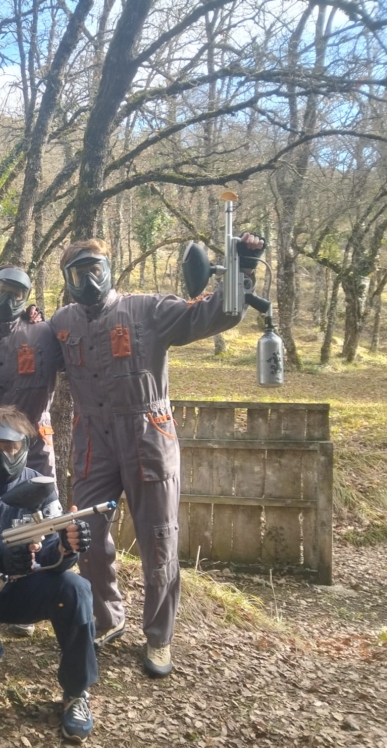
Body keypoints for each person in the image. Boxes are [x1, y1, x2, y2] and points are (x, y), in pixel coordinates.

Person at [49, 234, 265, 677]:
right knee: (87, 534)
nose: (88, 280)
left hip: (147, 435)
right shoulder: (62, 322)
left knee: (159, 539)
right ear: (67, 280)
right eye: (78, 273)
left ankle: (159, 636)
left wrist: (243, 267)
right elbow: (27, 348)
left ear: (109, 268)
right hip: (93, 441)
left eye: (95, 268)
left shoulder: (149, 309)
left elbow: (215, 313)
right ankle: (107, 618)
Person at [0, 405, 97, 741]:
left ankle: (77, 692)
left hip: (25, 590)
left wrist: (67, 547)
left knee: (76, 588)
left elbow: (53, 558)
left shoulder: (40, 486)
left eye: (9, 448)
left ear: (24, 447)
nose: (0, 457)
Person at [0, 266, 61, 478]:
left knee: (41, 497)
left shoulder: (45, 333)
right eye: (2, 291)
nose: (8, 300)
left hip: (36, 446)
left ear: (25, 298)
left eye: (16, 295)